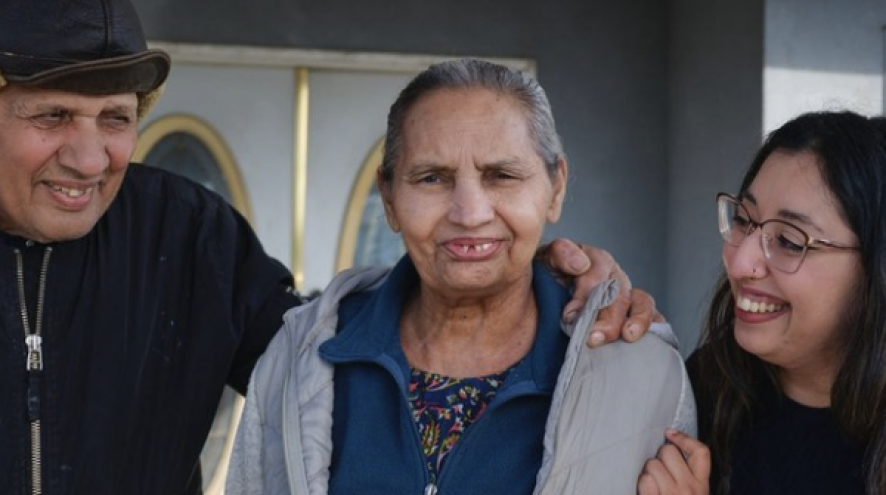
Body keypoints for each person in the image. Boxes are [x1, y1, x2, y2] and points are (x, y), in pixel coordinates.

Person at [0, 1, 658, 493]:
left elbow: (324, 345)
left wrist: (519, 281)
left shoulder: (187, 232)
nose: (89, 158)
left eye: (116, 118)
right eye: (52, 116)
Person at [225, 58, 696, 495]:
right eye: (432, 177)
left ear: (555, 187)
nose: (469, 214)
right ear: (388, 197)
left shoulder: (641, 376)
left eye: (502, 176)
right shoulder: (300, 357)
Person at [636, 110, 886, 495]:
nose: (739, 263)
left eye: (788, 241)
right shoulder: (711, 386)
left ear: (875, 268)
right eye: (742, 219)